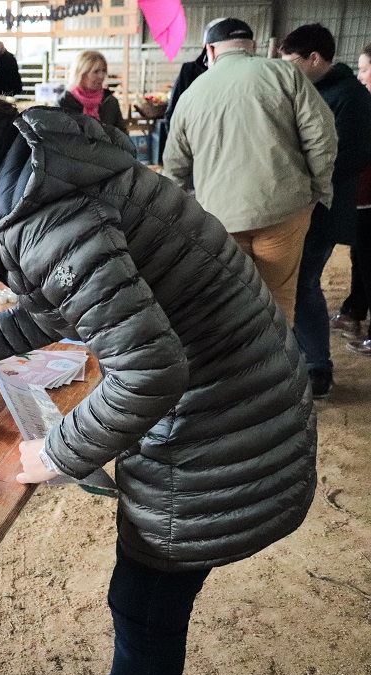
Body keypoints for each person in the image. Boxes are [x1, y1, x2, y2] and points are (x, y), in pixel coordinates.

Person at [0, 84, 317, 675]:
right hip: (244, 400)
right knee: (144, 601)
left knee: (143, 606)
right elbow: (69, 297)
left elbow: (149, 370)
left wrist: (56, 452)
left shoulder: (38, 210)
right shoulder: (33, 172)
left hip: (221, 429)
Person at [164, 18, 337, 335]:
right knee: (279, 303)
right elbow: (322, 139)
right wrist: (317, 190)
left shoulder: (191, 93)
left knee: (229, 300)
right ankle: (279, 374)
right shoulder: (285, 74)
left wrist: (184, 213)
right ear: (253, 47)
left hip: (221, 218)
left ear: (211, 51)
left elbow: (174, 166)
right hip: (284, 210)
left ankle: (237, 376)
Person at [279, 24, 371, 396]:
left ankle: (317, 366)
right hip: (302, 206)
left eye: (292, 62)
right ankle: (306, 362)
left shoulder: (350, 96)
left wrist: (305, 176)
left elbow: (353, 156)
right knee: (297, 284)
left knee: (303, 284)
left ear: (314, 58)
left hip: (326, 208)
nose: (287, 71)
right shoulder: (312, 89)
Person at [342, 43, 371, 357]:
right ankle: (355, 309)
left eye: (364, 68)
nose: (360, 75)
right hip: (361, 197)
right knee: (360, 255)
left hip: (368, 197)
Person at [57, 50, 129, 134]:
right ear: (81, 73)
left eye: (103, 71)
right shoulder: (64, 103)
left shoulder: (110, 102)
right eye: (96, 71)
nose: (101, 76)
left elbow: (122, 135)